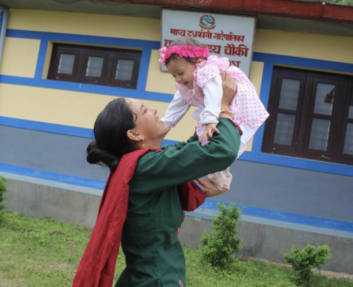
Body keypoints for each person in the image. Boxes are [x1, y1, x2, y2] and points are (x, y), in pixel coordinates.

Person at [72, 72, 241, 287]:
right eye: (144, 111)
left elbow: (195, 148)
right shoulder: (146, 166)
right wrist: (224, 108)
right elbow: (223, 151)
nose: (154, 110)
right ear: (134, 135)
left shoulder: (145, 164)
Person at [160, 37, 269, 191]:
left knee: (222, 148)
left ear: (198, 62)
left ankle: (220, 183)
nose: (178, 78)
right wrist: (166, 123)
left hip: (240, 108)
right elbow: (178, 103)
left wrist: (210, 119)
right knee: (212, 146)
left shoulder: (206, 70)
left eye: (180, 73)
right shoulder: (185, 83)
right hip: (220, 110)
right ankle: (220, 183)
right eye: (173, 75)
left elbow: (214, 93)